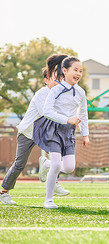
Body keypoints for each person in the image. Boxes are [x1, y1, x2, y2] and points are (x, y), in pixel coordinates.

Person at [0, 54, 70, 205]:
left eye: (60, 79)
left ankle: (53, 178)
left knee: (58, 155)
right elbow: (48, 114)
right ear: (46, 80)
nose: (58, 81)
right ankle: (4, 192)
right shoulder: (42, 94)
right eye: (53, 78)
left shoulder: (58, 94)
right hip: (28, 133)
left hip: (44, 133)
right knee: (20, 164)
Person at [33, 56, 89, 209]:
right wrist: (67, 119)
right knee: (57, 164)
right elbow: (47, 111)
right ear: (64, 71)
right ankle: (48, 200)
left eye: (80, 71)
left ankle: (47, 164)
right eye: (75, 70)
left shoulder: (80, 92)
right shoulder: (56, 89)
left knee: (69, 167)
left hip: (68, 132)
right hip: (53, 129)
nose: (78, 73)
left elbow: (83, 114)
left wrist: (85, 134)